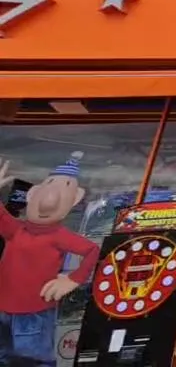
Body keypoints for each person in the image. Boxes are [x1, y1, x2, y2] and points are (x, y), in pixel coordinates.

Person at [0, 154, 100, 367]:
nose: (49, 199)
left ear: (75, 199)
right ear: (32, 194)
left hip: (34, 311)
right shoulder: (17, 230)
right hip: (3, 307)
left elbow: (92, 250)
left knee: (33, 359)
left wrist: (73, 279)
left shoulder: (59, 236)